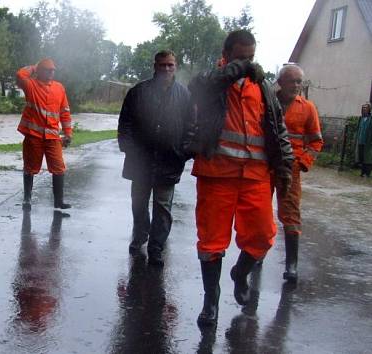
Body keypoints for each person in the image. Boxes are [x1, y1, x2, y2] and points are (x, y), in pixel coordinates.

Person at [188, 30, 294, 326]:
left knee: (262, 236)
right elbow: (198, 87)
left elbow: (278, 129)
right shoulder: (213, 81)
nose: (249, 63)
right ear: (227, 55)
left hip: (256, 176)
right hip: (217, 173)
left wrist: (285, 166)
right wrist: (237, 68)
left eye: (252, 57)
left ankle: (239, 273)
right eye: (241, 57)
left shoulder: (263, 87)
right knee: (211, 242)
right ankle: (211, 302)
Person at [117, 50, 193, 266]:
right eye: (162, 65)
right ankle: (140, 235)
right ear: (155, 67)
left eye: (170, 65)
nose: (166, 69)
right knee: (139, 204)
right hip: (140, 161)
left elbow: (191, 126)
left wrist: (184, 152)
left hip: (169, 161)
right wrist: (129, 148)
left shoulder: (184, 95)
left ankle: (157, 247)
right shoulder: (138, 92)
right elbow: (125, 123)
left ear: (175, 66)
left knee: (163, 207)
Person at [275, 64, 324, 283]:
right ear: (280, 82)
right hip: (264, 166)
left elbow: (316, 141)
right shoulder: (267, 102)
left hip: (291, 169)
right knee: (258, 212)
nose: (296, 86)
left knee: (291, 215)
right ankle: (255, 254)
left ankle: (291, 264)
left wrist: (303, 162)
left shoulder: (308, 108)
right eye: (292, 81)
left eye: (299, 82)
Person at [16, 59, 73, 210]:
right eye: (47, 70)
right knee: (30, 167)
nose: (51, 73)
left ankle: (58, 201)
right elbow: (20, 74)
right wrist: (35, 67)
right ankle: (27, 199)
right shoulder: (31, 85)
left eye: (53, 70)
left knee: (59, 168)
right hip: (33, 136)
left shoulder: (59, 88)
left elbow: (65, 112)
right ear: (40, 71)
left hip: (53, 137)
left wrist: (68, 133)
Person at [355, 103, 372, 177]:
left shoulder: (370, 119)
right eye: (363, 108)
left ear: (369, 109)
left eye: (366, 108)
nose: (364, 109)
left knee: (368, 158)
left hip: (368, 142)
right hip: (361, 141)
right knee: (361, 157)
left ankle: (367, 173)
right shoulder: (361, 119)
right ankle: (362, 172)